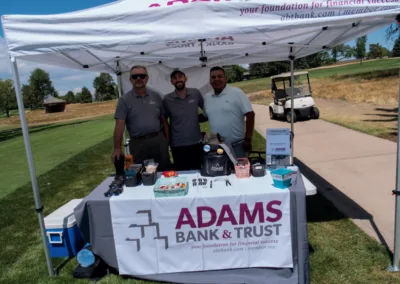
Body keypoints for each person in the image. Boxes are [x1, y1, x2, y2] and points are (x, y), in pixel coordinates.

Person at [111, 65, 171, 171]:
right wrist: (117, 148)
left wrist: (167, 140)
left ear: (147, 78)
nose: (138, 78)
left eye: (142, 76)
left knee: (164, 172)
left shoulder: (156, 96)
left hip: (158, 141)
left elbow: (164, 120)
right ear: (130, 80)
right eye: (135, 76)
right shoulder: (124, 100)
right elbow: (119, 126)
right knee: (141, 174)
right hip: (138, 144)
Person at [203, 66, 255, 158]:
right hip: (217, 146)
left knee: (240, 171)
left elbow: (250, 115)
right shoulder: (207, 97)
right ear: (210, 80)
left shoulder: (237, 93)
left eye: (220, 76)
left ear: (226, 78)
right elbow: (206, 116)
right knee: (221, 171)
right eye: (213, 77)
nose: (216, 79)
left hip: (238, 145)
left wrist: (248, 139)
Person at [163, 69, 206, 171]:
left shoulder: (195, 93)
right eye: (174, 78)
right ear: (171, 82)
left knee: (198, 171)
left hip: (196, 142)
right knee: (181, 173)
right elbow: (164, 121)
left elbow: (207, 111)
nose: (178, 80)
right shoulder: (167, 99)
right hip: (177, 144)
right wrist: (167, 140)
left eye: (180, 76)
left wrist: (196, 119)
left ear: (185, 78)